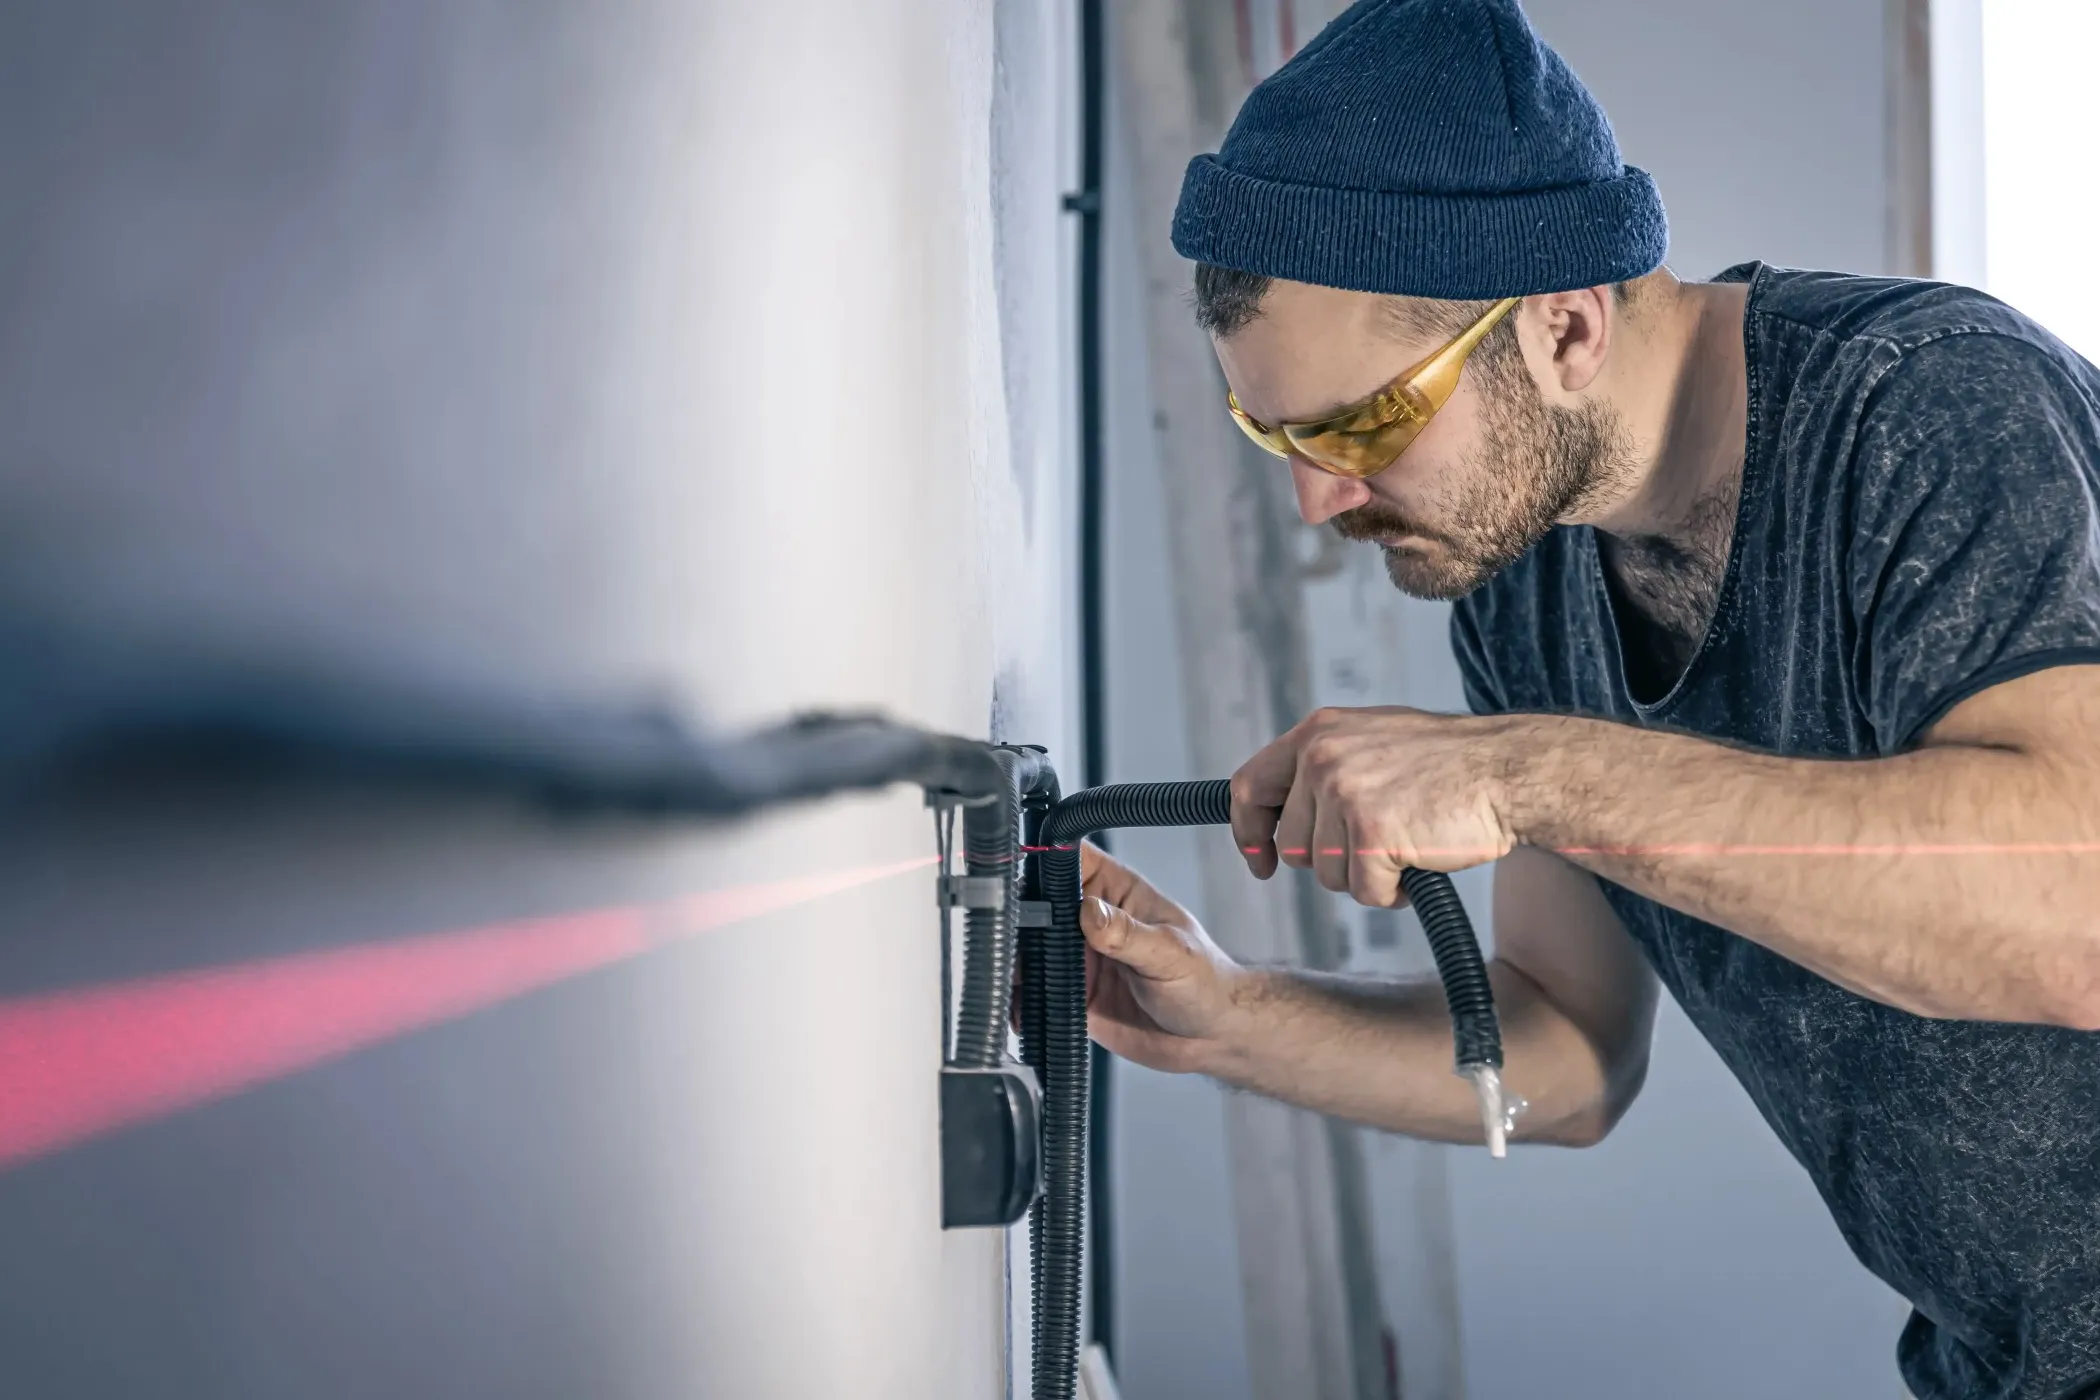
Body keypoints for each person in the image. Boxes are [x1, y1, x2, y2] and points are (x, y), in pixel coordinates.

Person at [1078, 1, 2100, 1396]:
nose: (1319, 501)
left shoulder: (1927, 410)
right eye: (1280, 434)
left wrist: (1524, 773)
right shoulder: (1521, 573)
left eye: (1364, 423)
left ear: (1565, 326)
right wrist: (1232, 1016)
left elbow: (2075, 909)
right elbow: (1566, 1048)